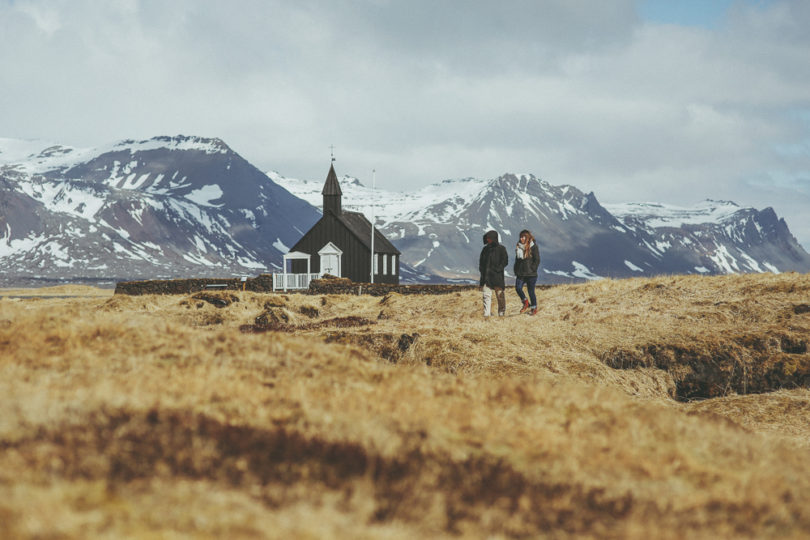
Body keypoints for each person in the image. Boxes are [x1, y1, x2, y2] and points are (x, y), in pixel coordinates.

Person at [479, 230, 508, 317]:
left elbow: (505, 261)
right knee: (486, 295)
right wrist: (482, 275)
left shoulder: (502, 249)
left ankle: (501, 313)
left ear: (494, 238)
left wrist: (497, 269)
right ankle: (486, 314)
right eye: (487, 238)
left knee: (500, 295)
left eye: (489, 238)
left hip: (497, 277)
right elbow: (481, 263)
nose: (488, 240)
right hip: (486, 277)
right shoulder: (485, 250)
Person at [513, 229, 541, 315]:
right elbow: (517, 260)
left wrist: (532, 269)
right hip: (521, 273)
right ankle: (526, 302)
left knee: (531, 291)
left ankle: (534, 308)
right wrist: (516, 269)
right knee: (518, 288)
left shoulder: (533, 246)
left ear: (527, 238)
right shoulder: (519, 247)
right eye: (520, 237)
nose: (521, 238)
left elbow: (537, 259)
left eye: (523, 237)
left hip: (531, 274)